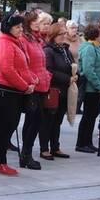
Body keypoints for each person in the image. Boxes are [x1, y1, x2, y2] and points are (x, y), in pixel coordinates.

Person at [0, 14, 36, 175]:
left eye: (21, 27)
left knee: (10, 125)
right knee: (7, 126)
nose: (21, 30)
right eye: (17, 27)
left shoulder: (14, 42)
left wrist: (32, 80)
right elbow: (7, 70)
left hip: (12, 89)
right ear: (9, 28)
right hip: (4, 89)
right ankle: (0, 161)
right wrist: (25, 86)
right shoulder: (4, 43)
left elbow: (23, 67)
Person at [19, 10, 51, 169]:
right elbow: (24, 63)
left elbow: (41, 63)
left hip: (41, 85)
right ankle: (26, 154)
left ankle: (26, 154)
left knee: (35, 121)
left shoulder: (37, 39)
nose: (40, 23)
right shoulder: (25, 40)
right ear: (29, 23)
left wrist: (47, 76)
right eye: (37, 21)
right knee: (34, 120)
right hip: (32, 86)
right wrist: (34, 79)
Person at [42, 23, 73, 159]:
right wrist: (67, 78)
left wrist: (75, 75)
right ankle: (44, 148)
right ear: (54, 35)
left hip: (65, 90)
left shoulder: (65, 49)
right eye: (61, 34)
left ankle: (55, 146)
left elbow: (71, 65)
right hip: (53, 90)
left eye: (65, 33)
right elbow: (48, 71)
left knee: (57, 121)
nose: (64, 36)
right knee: (48, 120)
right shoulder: (49, 50)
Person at [76, 25, 100, 153]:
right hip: (92, 89)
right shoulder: (89, 48)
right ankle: (81, 143)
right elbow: (88, 70)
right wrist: (99, 86)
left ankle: (88, 142)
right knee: (88, 117)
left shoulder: (97, 47)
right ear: (95, 35)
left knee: (92, 117)